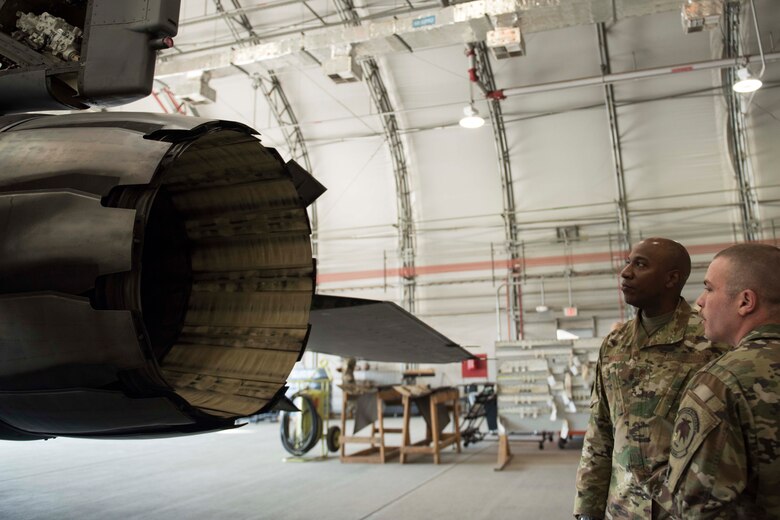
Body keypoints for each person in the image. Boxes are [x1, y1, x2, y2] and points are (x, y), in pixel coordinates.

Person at [573, 237, 728, 520]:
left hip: (683, 510)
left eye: (640, 264)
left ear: (672, 278)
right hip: (621, 509)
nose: (626, 272)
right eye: (628, 262)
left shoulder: (711, 341)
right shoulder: (615, 344)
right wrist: (586, 509)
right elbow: (600, 431)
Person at [661, 243, 780, 518]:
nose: (700, 301)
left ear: (745, 302)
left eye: (709, 288)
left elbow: (699, 507)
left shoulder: (721, 382)